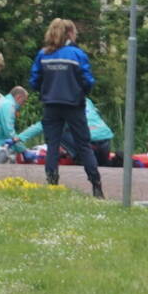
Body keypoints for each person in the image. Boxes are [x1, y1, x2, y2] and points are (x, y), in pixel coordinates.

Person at [29, 18, 103, 198]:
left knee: (52, 145)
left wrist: (45, 91)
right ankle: (96, 186)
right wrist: (81, 92)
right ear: (70, 33)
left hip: (51, 104)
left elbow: (34, 80)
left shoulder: (44, 54)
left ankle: (52, 183)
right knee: (83, 145)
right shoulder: (76, 54)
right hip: (73, 104)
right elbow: (87, 80)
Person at [18, 98, 114, 166]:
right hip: (106, 144)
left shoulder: (61, 104)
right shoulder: (86, 100)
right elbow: (97, 113)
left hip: (89, 146)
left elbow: (42, 125)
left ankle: (74, 156)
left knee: (57, 129)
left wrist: (19, 138)